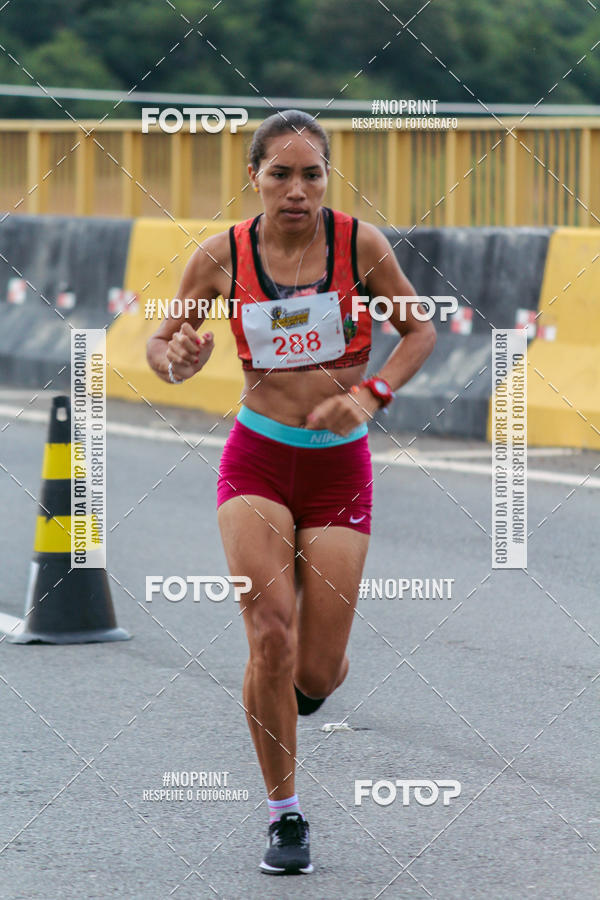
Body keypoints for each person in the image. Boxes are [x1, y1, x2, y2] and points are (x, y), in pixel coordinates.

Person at [146, 109, 436, 876]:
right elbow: (163, 352)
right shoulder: (222, 255)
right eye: (281, 173)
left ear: (327, 179)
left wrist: (371, 395)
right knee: (266, 632)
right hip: (259, 462)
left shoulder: (358, 246)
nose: (297, 189)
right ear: (255, 178)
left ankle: (297, 692)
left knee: (315, 671)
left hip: (340, 468)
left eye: (312, 174)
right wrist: (178, 352)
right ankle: (285, 815)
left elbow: (420, 331)